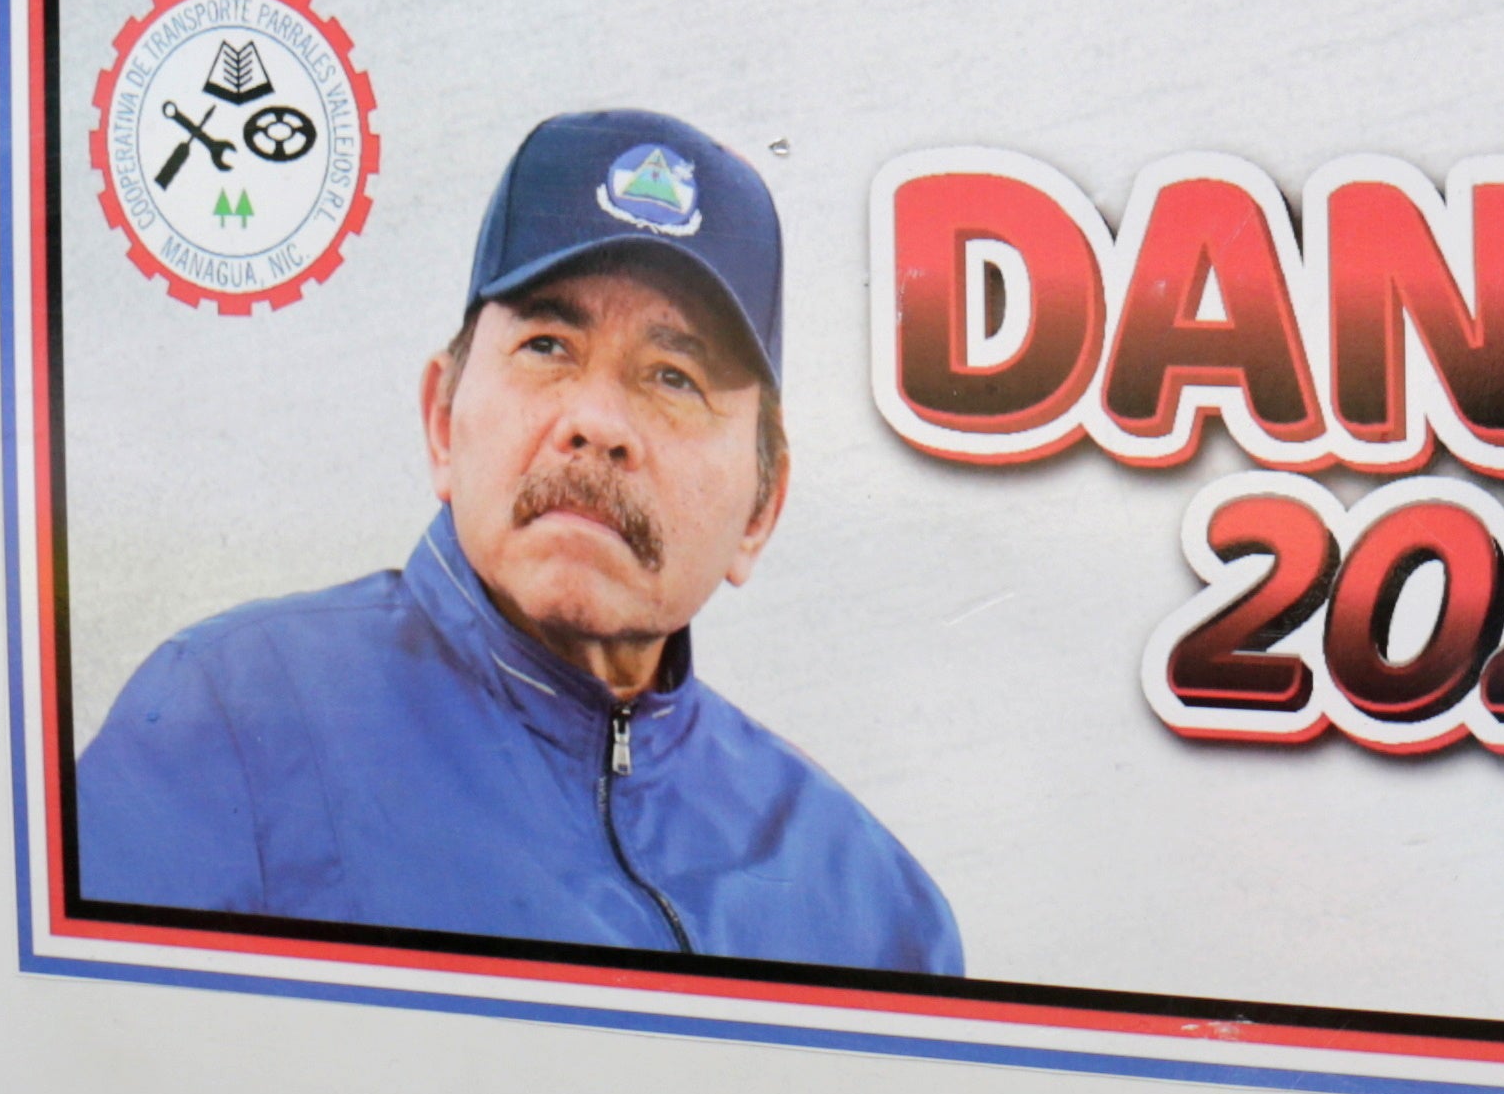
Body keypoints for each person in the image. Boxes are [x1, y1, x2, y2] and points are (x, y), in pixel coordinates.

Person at [79, 112, 960, 973]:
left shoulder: (875, 914)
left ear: (761, 508)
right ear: (441, 421)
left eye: (672, 377)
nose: (596, 423)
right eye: (547, 344)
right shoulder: (231, 723)